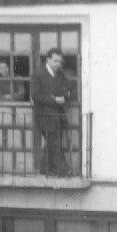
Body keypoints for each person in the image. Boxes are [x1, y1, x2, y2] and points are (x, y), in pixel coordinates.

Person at [31, 48, 72, 176]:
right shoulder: (38, 75)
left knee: (52, 142)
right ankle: (64, 170)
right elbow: (35, 95)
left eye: (60, 62)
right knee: (54, 142)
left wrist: (65, 95)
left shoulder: (60, 74)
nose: (58, 64)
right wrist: (54, 100)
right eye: (55, 61)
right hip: (44, 115)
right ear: (48, 60)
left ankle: (45, 170)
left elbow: (68, 87)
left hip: (58, 115)